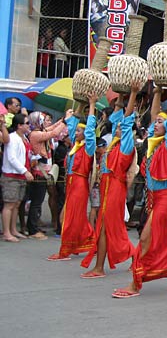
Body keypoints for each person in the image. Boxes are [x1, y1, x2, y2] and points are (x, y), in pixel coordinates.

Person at [113, 70, 167, 298]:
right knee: (165, 237)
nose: (157, 123)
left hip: (166, 196)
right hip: (155, 197)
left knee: (147, 237)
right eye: (157, 122)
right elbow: (154, 116)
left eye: (161, 122)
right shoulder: (153, 143)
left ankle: (135, 283)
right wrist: (157, 91)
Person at [80, 86, 140, 278]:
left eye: (123, 126)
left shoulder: (127, 143)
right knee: (108, 226)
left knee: (107, 225)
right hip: (106, 185)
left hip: (115, 186)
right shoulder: (114, 141)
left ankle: (100, 268)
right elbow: (117, 117)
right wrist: (120, 95)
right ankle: (133, 256)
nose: (119, 127)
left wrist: (132, 93)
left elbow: (127, 117)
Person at [47, 99, 99, 261]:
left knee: (68, 218)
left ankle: (66, 250)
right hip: (70, 183)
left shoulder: (88, 147)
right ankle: (92, 243)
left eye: (78, 131)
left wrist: (91, 105)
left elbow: (90, 130)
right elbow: (71, 125)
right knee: (76, 218)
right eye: (75, 131)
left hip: (79, 184)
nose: (75, 133)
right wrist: (80, 104)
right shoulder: (74, 146)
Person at [26, 110, 72, 240]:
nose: (44, 121)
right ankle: (33, 229)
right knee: (37, 202)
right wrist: (65, 121)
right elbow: (54, 133)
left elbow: (51, 129)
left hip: (44, 171)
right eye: (42, 119)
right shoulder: (35, 134)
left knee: (38, 201)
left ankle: (33, 227)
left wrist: (63, 119)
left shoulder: (39, 132)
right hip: (39, 171)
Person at [2, 114, 34, 242]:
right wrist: (25, 171)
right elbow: (12, 158)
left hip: (20, 175)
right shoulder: (12, 138)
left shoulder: (24, 138)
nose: (28, 125)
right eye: (26, 123)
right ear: (19, 125)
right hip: (11, 175)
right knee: (9, 204)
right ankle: (7, 232)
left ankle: (13, 229)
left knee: (16, 204)